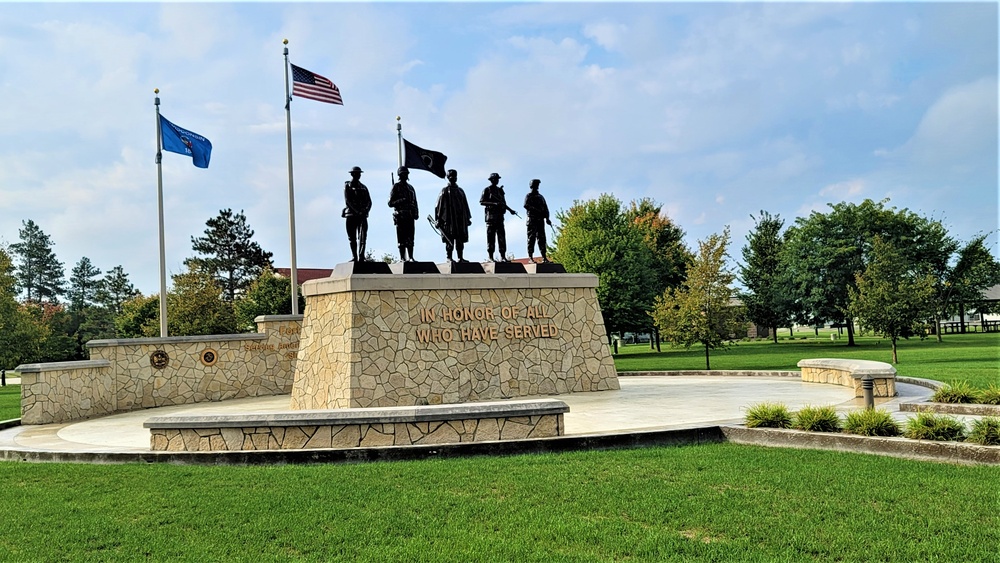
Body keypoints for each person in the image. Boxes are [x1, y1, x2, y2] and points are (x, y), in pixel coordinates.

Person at [434, 169, 472, 262]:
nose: (453, 178)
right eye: (450, 176)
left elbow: (465, 205)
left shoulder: (460, 191)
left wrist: (467, 218)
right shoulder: (445, 191)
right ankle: (449, 257)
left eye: (454, 176)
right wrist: (438, 219)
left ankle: (460, 257)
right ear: (447, 178)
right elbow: (438, 206)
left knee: (460, 240)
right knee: (449, 240)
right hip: (449, 220)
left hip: (460, 219)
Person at [479, 172, 517, 262]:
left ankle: (503, 256)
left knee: (501, 237)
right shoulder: (487, 190)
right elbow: (482, 202)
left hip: (500, 217)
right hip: (491, 217)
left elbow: (503, 203)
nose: (497, 181)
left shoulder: (500, 191)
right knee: (491, 237)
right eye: (495, 179)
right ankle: (490, 256)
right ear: (491, 180)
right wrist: (493, 203)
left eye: (497, 179)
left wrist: (510, 210)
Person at [388, 166, 419, 262]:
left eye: (407, 174)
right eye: (404, 174)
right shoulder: (396, 187)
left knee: (410, 237)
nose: (406, 175)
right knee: (401, 238)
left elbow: (415, 202)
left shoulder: (411, 188)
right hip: (400, 215)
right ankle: (402, 257)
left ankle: (411, 257)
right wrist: (402, 200)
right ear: (400, 175)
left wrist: (416, 212)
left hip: (410, 215)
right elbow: (390, 203)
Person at [343, 166, 372, 262]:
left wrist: (365, 210)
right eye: (356, 173)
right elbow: (348, 201)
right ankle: (354, 256)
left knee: (363, 237)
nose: (358, 175)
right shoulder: (348, 186)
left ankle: (361, 257)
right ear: (352, 174)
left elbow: (369, 201)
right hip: (351, 215)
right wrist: (356, 211)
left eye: (359, 173)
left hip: (362, 215)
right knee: (352, 238)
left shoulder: (364, 187)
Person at [523, 178, 552, 263]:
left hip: (540, 220)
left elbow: (546, 208)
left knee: (542, 238)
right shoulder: (529, 196)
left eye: (537, 185)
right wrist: (536, 210)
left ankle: (544, 257)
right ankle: (530, 257)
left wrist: (547, 218)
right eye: (535, 185)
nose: (536, 187)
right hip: (532, 219)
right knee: (531, 238)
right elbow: (526, 205)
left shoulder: (541, 197)